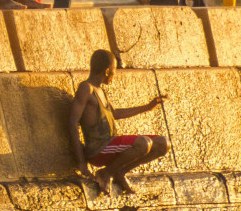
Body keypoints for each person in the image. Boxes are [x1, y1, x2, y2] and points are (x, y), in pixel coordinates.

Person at [69, 49, 169, 197]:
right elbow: (72, 122)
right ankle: (105, 173)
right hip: (99, 149)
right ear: (107, 71)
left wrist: (148, 107)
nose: (115, 74)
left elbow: (115, 114)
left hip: (111, 144)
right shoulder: (86, 88)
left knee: (163, 143)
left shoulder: (101, 91)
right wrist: (81, 162)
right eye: (115, 70)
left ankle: (119, 172)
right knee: (143, 143)